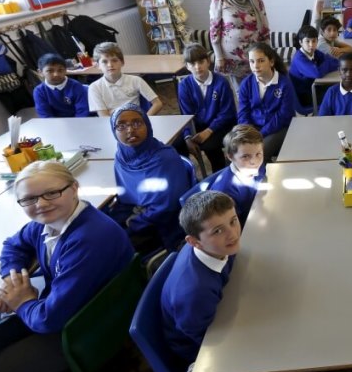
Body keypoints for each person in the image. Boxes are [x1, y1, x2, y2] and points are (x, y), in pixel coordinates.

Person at [0, 162, 133, 372]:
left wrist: (21, 301)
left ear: (74, 188)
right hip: (66, 310)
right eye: (29, 199)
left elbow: (49, 320)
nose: (40, 204)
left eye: (51, 193)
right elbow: (13, 245)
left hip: (81, 331)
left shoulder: (90, 239)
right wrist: (12, 279)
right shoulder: (48, 223)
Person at [161, 190, 241, 367]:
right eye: (218, 230)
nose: (233, 234)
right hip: (197, 348)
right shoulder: (195, 291)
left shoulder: (216, 247)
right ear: (194, 242)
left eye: (233, 221)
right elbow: (203, 338)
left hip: (218, 309)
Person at [108, 103, 191, 252]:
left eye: (137, 123)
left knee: (112, 246)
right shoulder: (121, 155)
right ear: (114, 132)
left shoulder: (165, 159)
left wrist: (133, 223)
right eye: (121, 126)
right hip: (132, 209)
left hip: (160, 222)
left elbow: (166, 208)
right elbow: (124, 194)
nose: (130, 130)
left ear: (147, 124)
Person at [187, 124, 265, 227]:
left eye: (258, 154)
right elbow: (231, 226)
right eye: (245, 156)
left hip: (257, 210)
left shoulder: (257, 166)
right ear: (230, 156)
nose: (254, 161)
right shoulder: (226, 191)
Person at [174, 43, 237, 172]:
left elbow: (227, 113)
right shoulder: (184, 85)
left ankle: (219, 174)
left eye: (201, 61)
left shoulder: (221, 82)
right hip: (197, 126)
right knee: (176, 145)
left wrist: (208, 131)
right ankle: (187, 176)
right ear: (187, 66)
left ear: (208, 61)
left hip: (221, 126)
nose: (197, 67)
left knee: (210, 147)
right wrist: (187, 138)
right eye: (192, 64)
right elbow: (186, 115)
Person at [209, 0, 271, 91]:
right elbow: (214, 30)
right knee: (241, 92)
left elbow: (264, 27)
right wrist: (219, 56)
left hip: (255, 56)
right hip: (232, 59)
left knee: (259, 89)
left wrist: (268, 53)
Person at [237, 42, 295, 160]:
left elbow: (283, 116)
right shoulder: (246, 84)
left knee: (259, 152)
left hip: (279, 128)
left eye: (261, 61)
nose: (256, 66)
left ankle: (266, 176)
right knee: (236, 150)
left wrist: (261, 133)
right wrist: (249, 132)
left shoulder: (285, 84)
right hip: (253, 128)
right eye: (252, 61)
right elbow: (243, 113)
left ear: (271, 62)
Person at [87, 42, 162, 117]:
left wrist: (144, 119)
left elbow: (157, 103)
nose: (110, 65)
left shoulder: (136, 80)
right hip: (113, 124)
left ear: (122, 62)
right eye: (104, 62)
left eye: (114, 60)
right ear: (97, 65)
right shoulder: (94, 87)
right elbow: (103, 116)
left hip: (135, 121)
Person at [289, 25, 339, 113]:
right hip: (306, 95)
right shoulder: (299, 58)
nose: (311, 45)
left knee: (339, 87)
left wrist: (325, 62)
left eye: (314, 41)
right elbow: (317, 73)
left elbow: (336, 62)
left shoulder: (314, 52)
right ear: (300, 42)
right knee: (337, 95)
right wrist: (326, 61)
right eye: (307, 41)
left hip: (314, 86)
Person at [33, 53, 90, 118]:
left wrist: (75, 126)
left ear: (65, 70)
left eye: (60, 70)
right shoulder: (39, 91)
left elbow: (82, 112)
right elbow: (45, 115)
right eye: (50, 71)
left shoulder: (76, 86)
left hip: (78, 122)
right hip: (54, 124)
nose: (56, 74)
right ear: (40, 72)